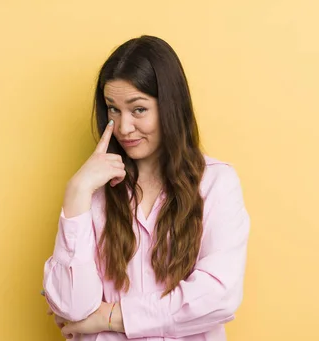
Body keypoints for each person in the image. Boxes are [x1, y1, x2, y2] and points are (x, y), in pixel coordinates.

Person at [42, 35, 250, 341]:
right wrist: (76, 192)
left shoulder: (217, 184)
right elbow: (73, 307)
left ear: (170, 107)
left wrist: (113, 317)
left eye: (138, 110)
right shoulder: (94, 191)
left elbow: (218, 296)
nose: (123, 127)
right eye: (113, 109)